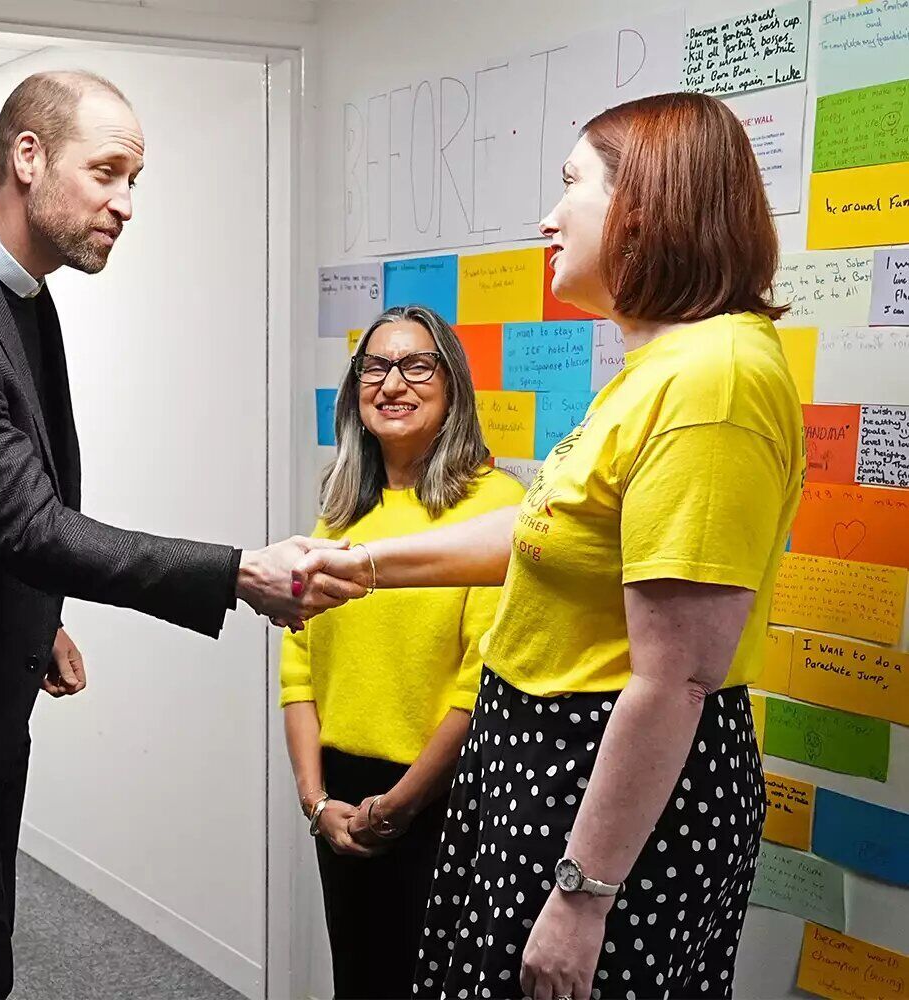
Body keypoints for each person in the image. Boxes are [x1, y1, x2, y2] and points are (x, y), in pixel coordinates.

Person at [0, 70, 330, 999]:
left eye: (135, 180)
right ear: (28, 156)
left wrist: (38, 619)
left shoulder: (17, 289)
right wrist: (238, 572)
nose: (125, 204)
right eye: (108, 173)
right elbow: (26, 522)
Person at [292, 91, 803, 1000]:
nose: (547, 215)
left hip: (600, 792)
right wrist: (357, 565)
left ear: (645, 207)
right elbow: (544, 534)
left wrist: (583, 894)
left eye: (572, 184)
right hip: (544, 770)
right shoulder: (659, 367)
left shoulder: (713, 381)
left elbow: (675, 677)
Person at [281, 305, 524, 999]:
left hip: (442, 799)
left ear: (453, 388)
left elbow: (481, 688)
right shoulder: (340, 510)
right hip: (341, 793)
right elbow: (299, 666)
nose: (393, 384)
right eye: (375, 368)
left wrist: (399, 806)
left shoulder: (494, 509)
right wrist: (316, 800)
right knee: (358, 981)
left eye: (417, 365)